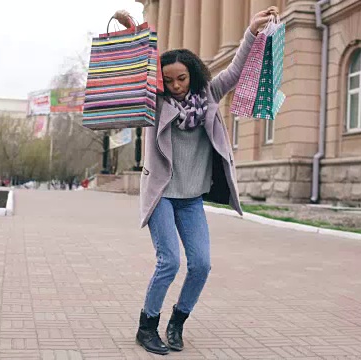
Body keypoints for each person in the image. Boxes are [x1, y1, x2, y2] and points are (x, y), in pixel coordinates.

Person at [113, 6, 278, 355]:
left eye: (181, 79)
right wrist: (133, 31)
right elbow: (142, 67)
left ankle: (177, 322)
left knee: (201, 264)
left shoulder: (209, 96)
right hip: (161, 195)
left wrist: (250, 30)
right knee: (169, 261)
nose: (174, 86)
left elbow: (235, 70)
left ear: (193, 76)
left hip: (190, 199)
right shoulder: (156, 103)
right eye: (169, 80)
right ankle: (147, 326)